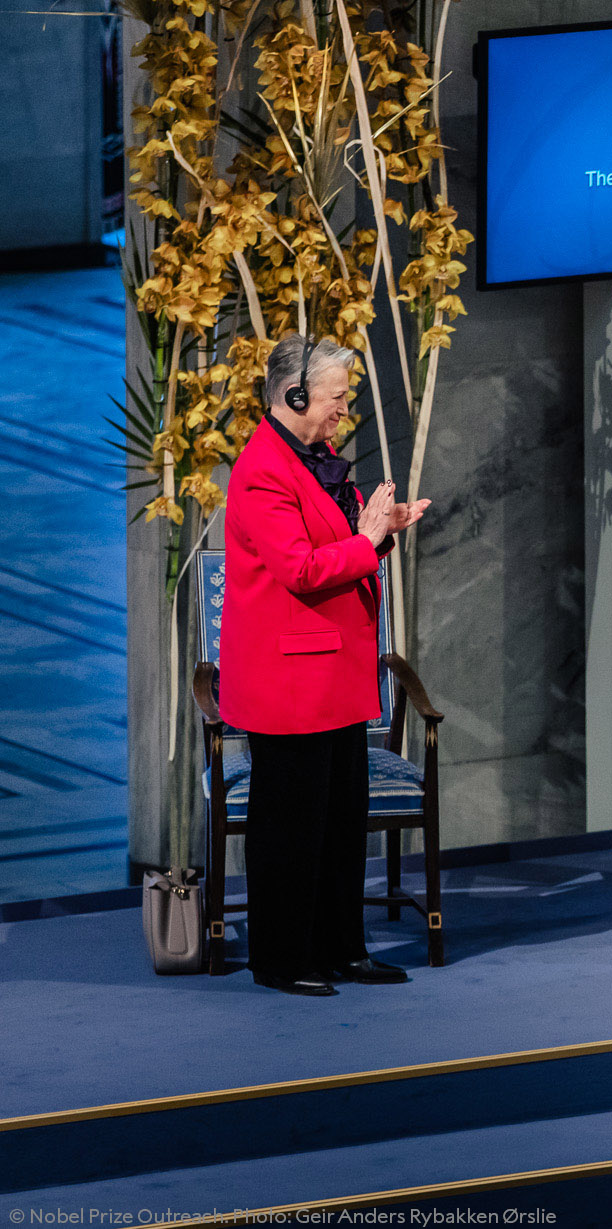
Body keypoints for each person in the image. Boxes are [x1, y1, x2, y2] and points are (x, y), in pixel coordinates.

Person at [220, 334, 429, 997]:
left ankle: (342, 947)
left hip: (333, 673)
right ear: (297, 393)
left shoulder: (318, 460)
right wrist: (366, 542)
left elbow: (341, 548)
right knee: (291, 826)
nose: (344, 409)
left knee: (341, 821)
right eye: (338, 397)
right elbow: (303, 570)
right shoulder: (260, 471)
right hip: (288, 682)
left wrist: (382, 530)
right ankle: (282, 957)